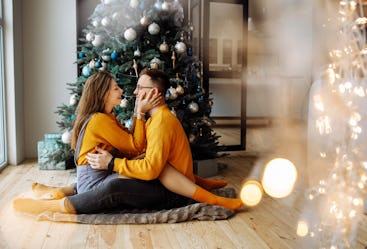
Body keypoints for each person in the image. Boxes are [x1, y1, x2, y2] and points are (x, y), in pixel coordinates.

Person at [12, 69, 242, 215]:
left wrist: (114, 161)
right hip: (101, 178)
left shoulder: (158, 121)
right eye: (117, 88)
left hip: (168, 192)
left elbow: (143, 155)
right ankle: (59, 196)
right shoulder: (141, 120)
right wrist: (139, 114)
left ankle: (57, 198)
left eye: (139, 88)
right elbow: (138, 149)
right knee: (121, 175)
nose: (129, 91)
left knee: (124, 178)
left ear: (153, 93)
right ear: (102, 95)